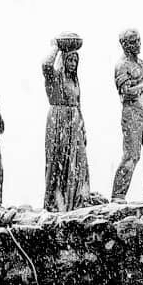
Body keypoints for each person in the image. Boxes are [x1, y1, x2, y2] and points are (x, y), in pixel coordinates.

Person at [110, 28, 143, 203]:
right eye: (133, 42)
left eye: (139, 40)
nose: (138, 44)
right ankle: (118, 195)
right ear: (125, 45)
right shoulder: (122, 66)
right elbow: (126, 92)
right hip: (132, 113)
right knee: (132, 155)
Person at [42, 35, 93, 212]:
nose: (73, 63)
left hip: (74, 123)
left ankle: (76, 200)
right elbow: (46, 65)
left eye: (75, 60)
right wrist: (55, 47)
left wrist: (83, 128)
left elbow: (79, 105)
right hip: (58, 121)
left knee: (77, 161)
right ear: (63, 61)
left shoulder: (75, 81)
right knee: (58, 161)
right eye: (70, 59)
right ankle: (57, 202)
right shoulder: (55, 78)